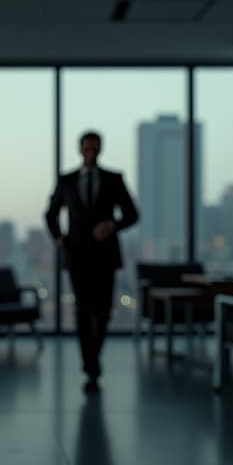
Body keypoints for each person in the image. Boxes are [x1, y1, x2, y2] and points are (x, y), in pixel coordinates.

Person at [45, 130, 139, 394]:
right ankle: (91, 366)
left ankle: (93, 359)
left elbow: (132, 214)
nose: (91, 154)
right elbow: (51, 214)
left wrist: (112, 225)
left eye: (95, 149)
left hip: (105, 255)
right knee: (83, 312)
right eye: (87, 149)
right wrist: (59, 238)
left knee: (103, 311)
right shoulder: (67, 181)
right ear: (80, 150)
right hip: (76, 255)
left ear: (100, 150)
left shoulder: (114, 179)